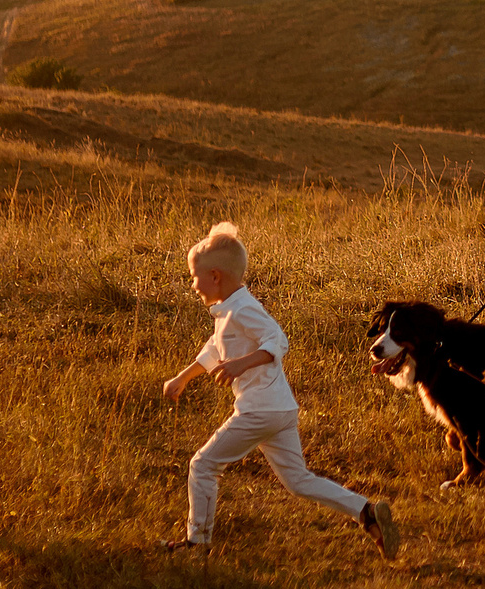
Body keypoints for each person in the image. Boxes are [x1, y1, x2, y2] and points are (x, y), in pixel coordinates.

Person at [162, 221, 399, 558]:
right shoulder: (229, 311)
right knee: (298, 481)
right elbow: (214, 349)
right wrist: (183, 378)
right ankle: (366, 512)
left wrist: (243, 363)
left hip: (258, 411)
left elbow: (277, 340)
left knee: (202, 466)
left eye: (194, 276)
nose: (192, 283)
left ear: (215, 276)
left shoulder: (243, 309)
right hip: (279, 410)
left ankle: (196, 543)